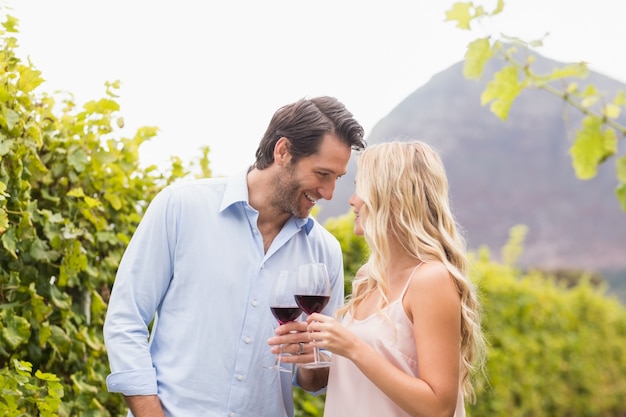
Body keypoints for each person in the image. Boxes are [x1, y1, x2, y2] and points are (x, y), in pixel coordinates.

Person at [103, 96, 366, 417]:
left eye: (336, 178)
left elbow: (315, 378)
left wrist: (311, 357)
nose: (328, 193)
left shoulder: (325, 251)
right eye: (322, 173)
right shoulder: (181, 207)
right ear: (282, 151)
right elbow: (125, 321)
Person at [306, 141, 487, 417]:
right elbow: (364, 379)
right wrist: (308, 357)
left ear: (391, 197)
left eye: (361, 189)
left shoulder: (430, 279)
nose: (352, 200)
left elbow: (439, 408)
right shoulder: (369, 278)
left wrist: (352, 347)